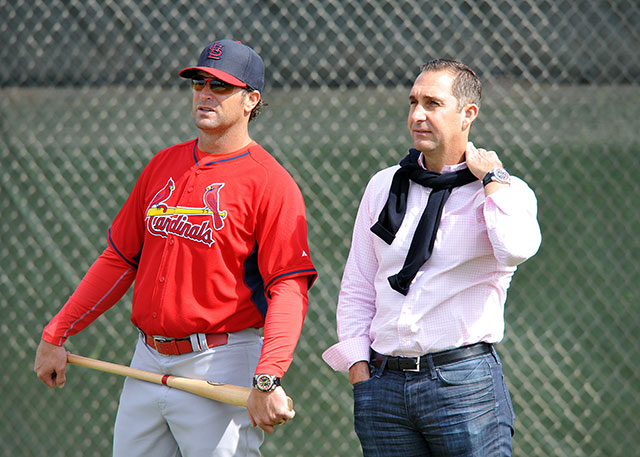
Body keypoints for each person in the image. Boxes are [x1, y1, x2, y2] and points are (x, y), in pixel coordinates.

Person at [34, 39, 317, 457]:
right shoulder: (163, 164)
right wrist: (56, 332)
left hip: (220, 361)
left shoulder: (271, 183)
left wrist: (267, 377)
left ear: (250, 101)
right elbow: (118, 260)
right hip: (146, 360)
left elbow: (289, 289)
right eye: (199, 83)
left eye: (220, 87)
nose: (205, 93)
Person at [322, 59, 541, 456]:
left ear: (467, 114)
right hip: (382, 386)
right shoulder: (384, 185)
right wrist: (359, 369)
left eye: (433, 104)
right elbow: (358, 282)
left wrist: (492, 180)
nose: (417, 115)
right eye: (413, 102)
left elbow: (517, 247)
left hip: (462, 383)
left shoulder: (504, 191)